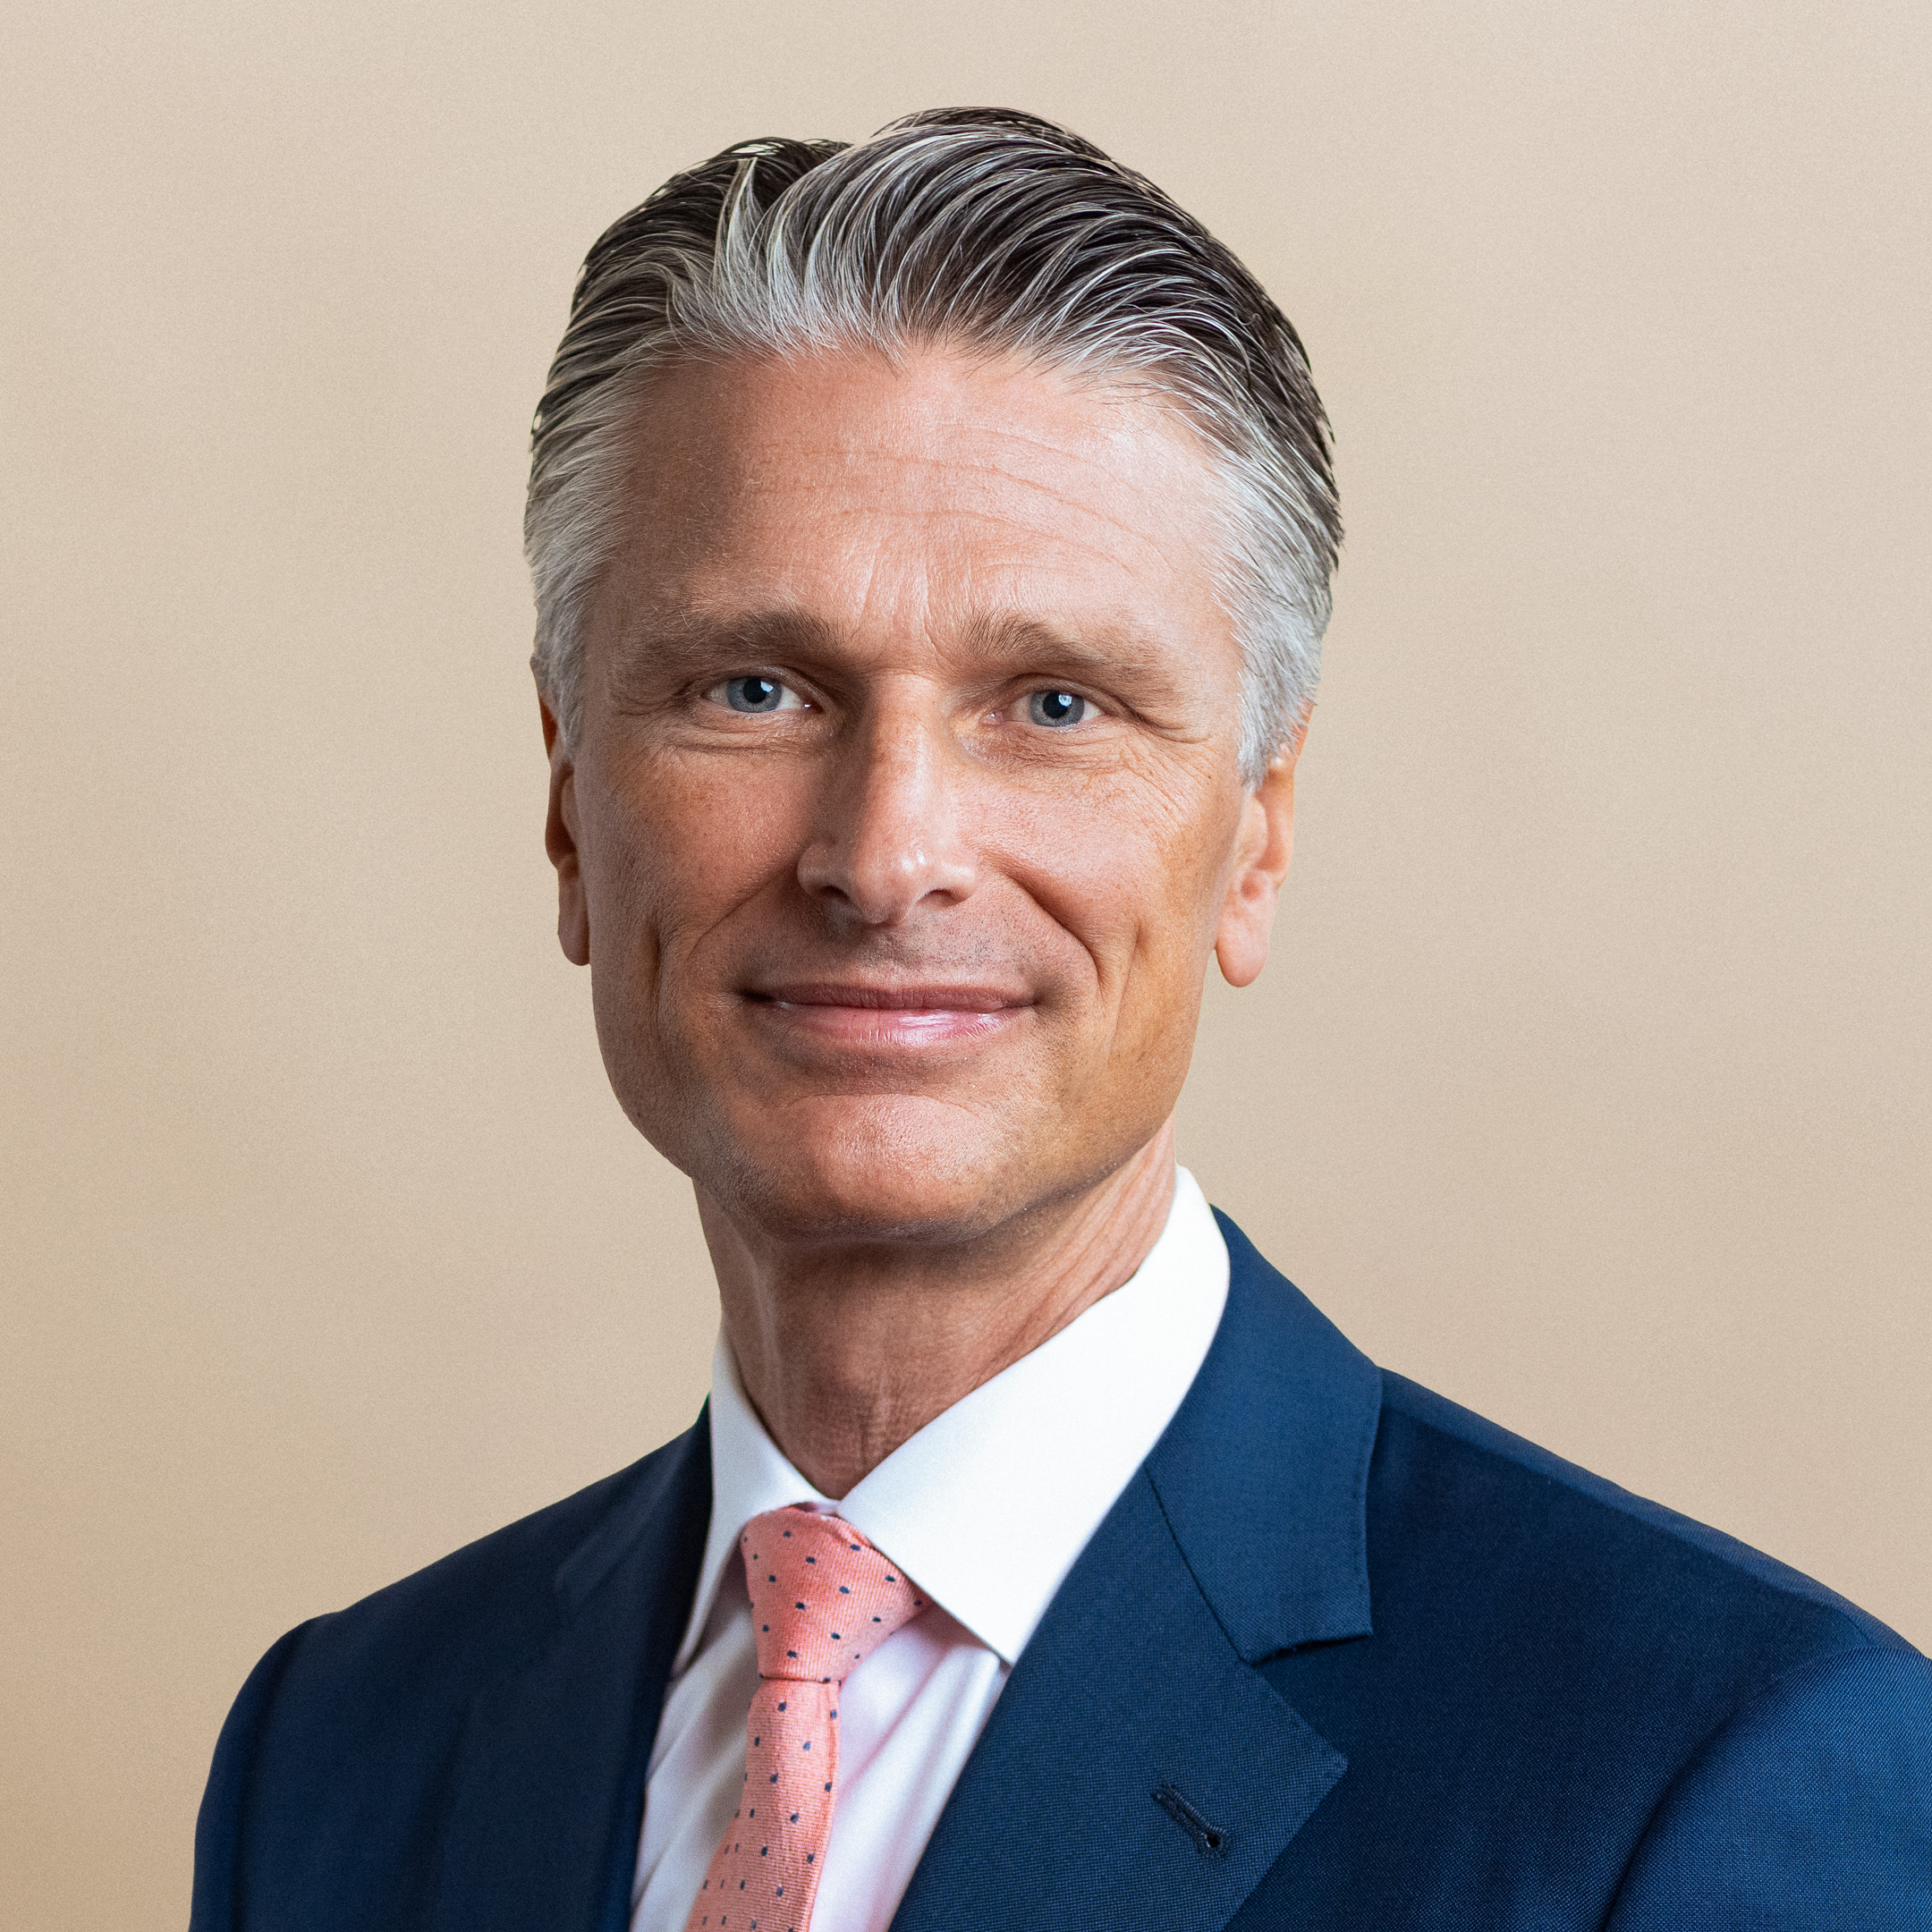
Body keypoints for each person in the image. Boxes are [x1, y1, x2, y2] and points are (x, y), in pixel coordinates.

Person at [189, 108, 1932, 1932]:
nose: (887, 858)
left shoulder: (1712, 1776)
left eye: (1055, 706)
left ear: (1256, 833)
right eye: (756, 688)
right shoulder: (342, 1748)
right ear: (568, 806)